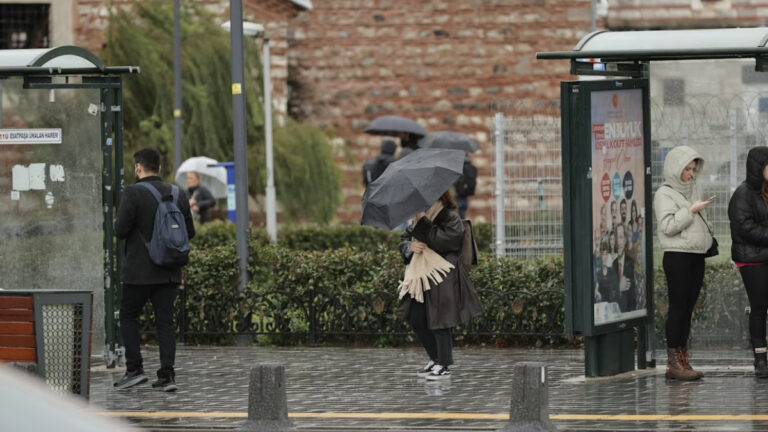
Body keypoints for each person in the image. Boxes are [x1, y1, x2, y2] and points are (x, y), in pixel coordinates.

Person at [114, 148, 195, 391]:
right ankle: (167, 376)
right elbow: (189, 232)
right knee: (165, 322)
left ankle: (135, 369)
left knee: (128, 316)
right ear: (159, 168)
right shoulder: (177, 193)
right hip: (169, 270)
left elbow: (120, 231)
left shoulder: (133, 192)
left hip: (138, 272)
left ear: (138, 167)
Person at [397, 190, 483, 380]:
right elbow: (404, 239)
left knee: (440, 320)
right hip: (421, 276)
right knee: (416, 317)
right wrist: (410, 247)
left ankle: (444, 364)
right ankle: (435, 358)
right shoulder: (420, 217)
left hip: (444, 276)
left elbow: (445, 242)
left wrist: (423, 223)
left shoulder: (449, 216)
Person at [654, 145, 712, 381]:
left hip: (696, 254)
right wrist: (690, 210)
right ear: (675, 169)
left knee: (688, 308)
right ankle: (673, 362)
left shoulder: (692, 189)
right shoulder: (664, 193)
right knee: (678, 307)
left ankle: (683, 357)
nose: (690, 174)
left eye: (693, 169)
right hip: (677, 255)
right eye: (686, 169)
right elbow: (667, 226)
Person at [729, 146, 768, 378]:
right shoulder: (742, 194)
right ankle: (760, 359)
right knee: (759, 306)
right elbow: (744, 228)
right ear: (758, 168)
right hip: (751, 259)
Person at [613, 224, 636, 313]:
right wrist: (619, 288)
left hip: (628, 313)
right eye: (617, 238)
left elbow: (633, 294)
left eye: (621, 237)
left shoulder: (631, 263)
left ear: (625, 240)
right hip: (615, 314)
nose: (619, 242)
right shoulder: (612, 264)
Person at [453, 155, 477, 219]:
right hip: (465, 198)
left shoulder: (459, 168)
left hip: (457, 197)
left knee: (456, 220)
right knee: (463, 218)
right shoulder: (471, 167)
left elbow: (455, 182)